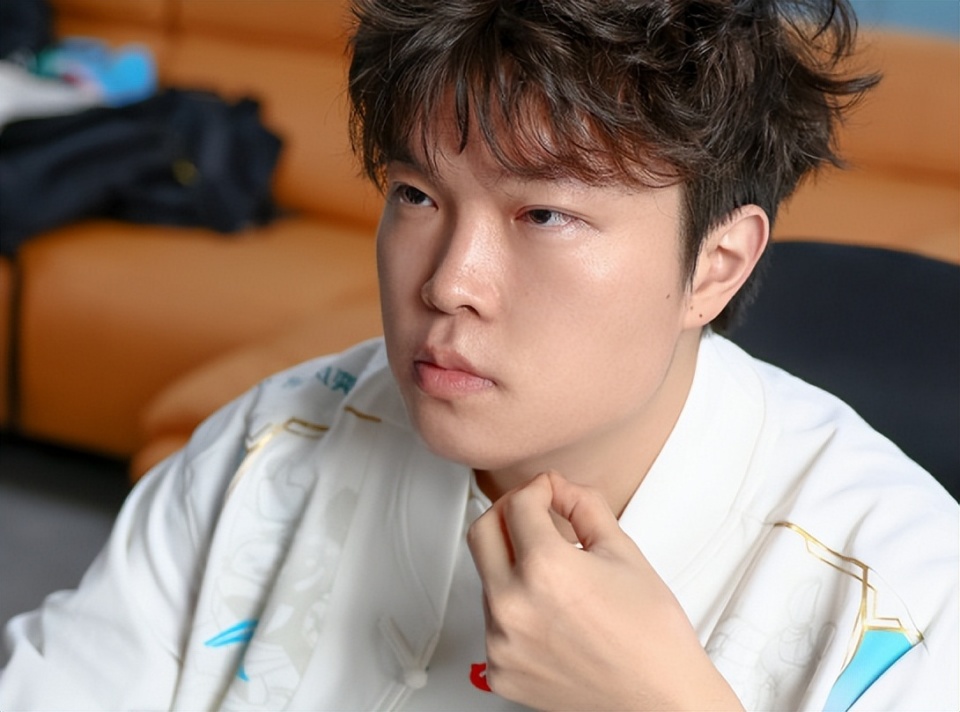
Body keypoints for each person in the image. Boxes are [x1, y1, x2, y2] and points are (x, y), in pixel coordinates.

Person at [1, 0, 957, 709]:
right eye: (417, 196)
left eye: (543, 214)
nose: (449, 282)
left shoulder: (905, 595)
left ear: (717, 265)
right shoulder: (270, 445)